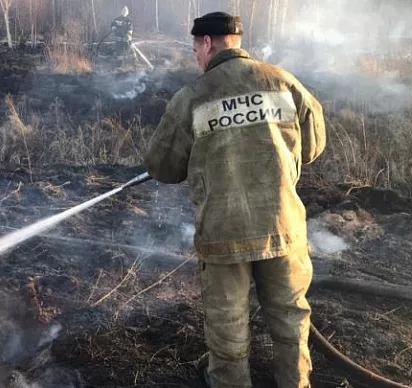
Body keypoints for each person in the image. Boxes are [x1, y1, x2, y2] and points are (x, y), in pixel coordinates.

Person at [145, 11, 326, 388]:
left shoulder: (192, 97)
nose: (196, 56)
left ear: (208, 43)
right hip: (283, 230)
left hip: (224, 237)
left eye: (196, 48)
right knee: (291, 323)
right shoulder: (283, 81)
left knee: (228, 335)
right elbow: (313, 146)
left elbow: (163, 167)